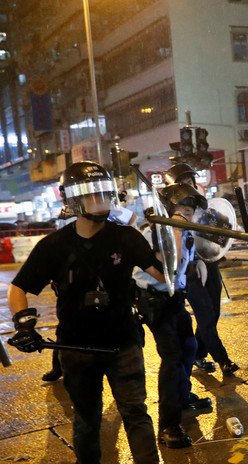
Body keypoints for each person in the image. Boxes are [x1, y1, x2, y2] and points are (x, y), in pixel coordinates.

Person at [7, 161, 161, 464]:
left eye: (104, 192)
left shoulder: (127, 237)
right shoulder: (54, 245)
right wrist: (24, 326)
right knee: (87, 419)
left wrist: (181, 248)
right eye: (91, 193)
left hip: (124, 344)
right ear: (74, 200)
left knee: (136, 413)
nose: (100, 199)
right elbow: (18, 289)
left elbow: (162, 273)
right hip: (75, 348)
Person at [134, 182, 213, 449]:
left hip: (174, 299)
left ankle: (182, 397)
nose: (188, 212)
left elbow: (187, 263)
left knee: (189, 346)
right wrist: (176, 229)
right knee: (172, 357)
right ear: (168, 207)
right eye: (182, 206)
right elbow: (170, 264)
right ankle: (168, 425)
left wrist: (199, 261)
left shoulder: (185, 231)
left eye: (191, 207)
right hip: (154, 300)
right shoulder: (155, 232)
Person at [163, 163, 239, 377]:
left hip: (210, 264)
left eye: (190, 180)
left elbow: (219, 230)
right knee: (205, 314)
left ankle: (199, 353)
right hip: (190, 270)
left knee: (213, 313)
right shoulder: (171, 212)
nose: (188, 185)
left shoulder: (201, 205)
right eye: (183, 182)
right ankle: (223, 359)